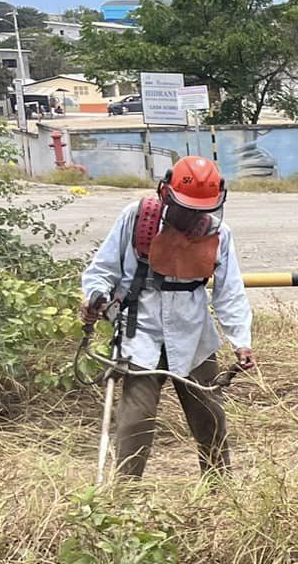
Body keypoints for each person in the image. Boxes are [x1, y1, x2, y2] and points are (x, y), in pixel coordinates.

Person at [79, 155, 255, 479]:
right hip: (141, 333)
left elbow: (229, 292)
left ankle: (220, 490)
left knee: (210, 419)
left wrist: (241, 341)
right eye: (186, 209)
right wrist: (96, 295)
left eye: (201, 211)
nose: (193, 217)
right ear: (165, 194)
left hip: (194, 335)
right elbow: (102, 270)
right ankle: (124, 494)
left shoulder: (219, 234)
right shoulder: (135, 218)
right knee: (136, 421)